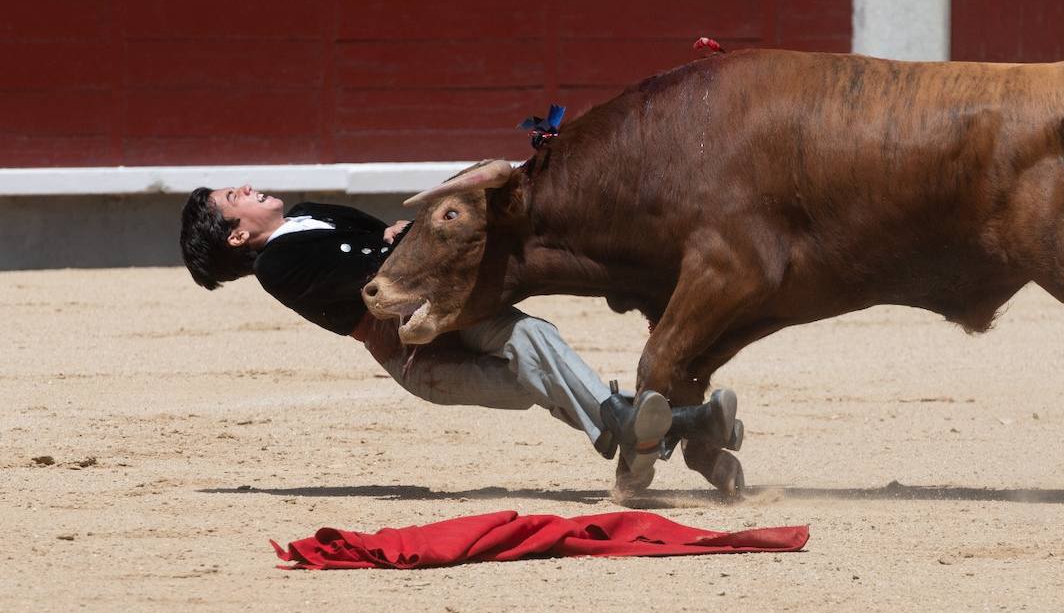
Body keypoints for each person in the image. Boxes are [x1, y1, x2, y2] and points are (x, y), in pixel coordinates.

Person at [178, 184, 742, 491]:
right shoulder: (278, 268)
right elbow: (374, 283)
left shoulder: (309, 212)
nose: (246, 188)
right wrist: (405, 245)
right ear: (236, 237)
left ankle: (660, 439)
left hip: (449, 307)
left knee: (532, 339)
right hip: (416, 349)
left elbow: (383, 234)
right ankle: (671, 431)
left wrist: (402, 235)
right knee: (540, 376)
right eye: (234, 198)